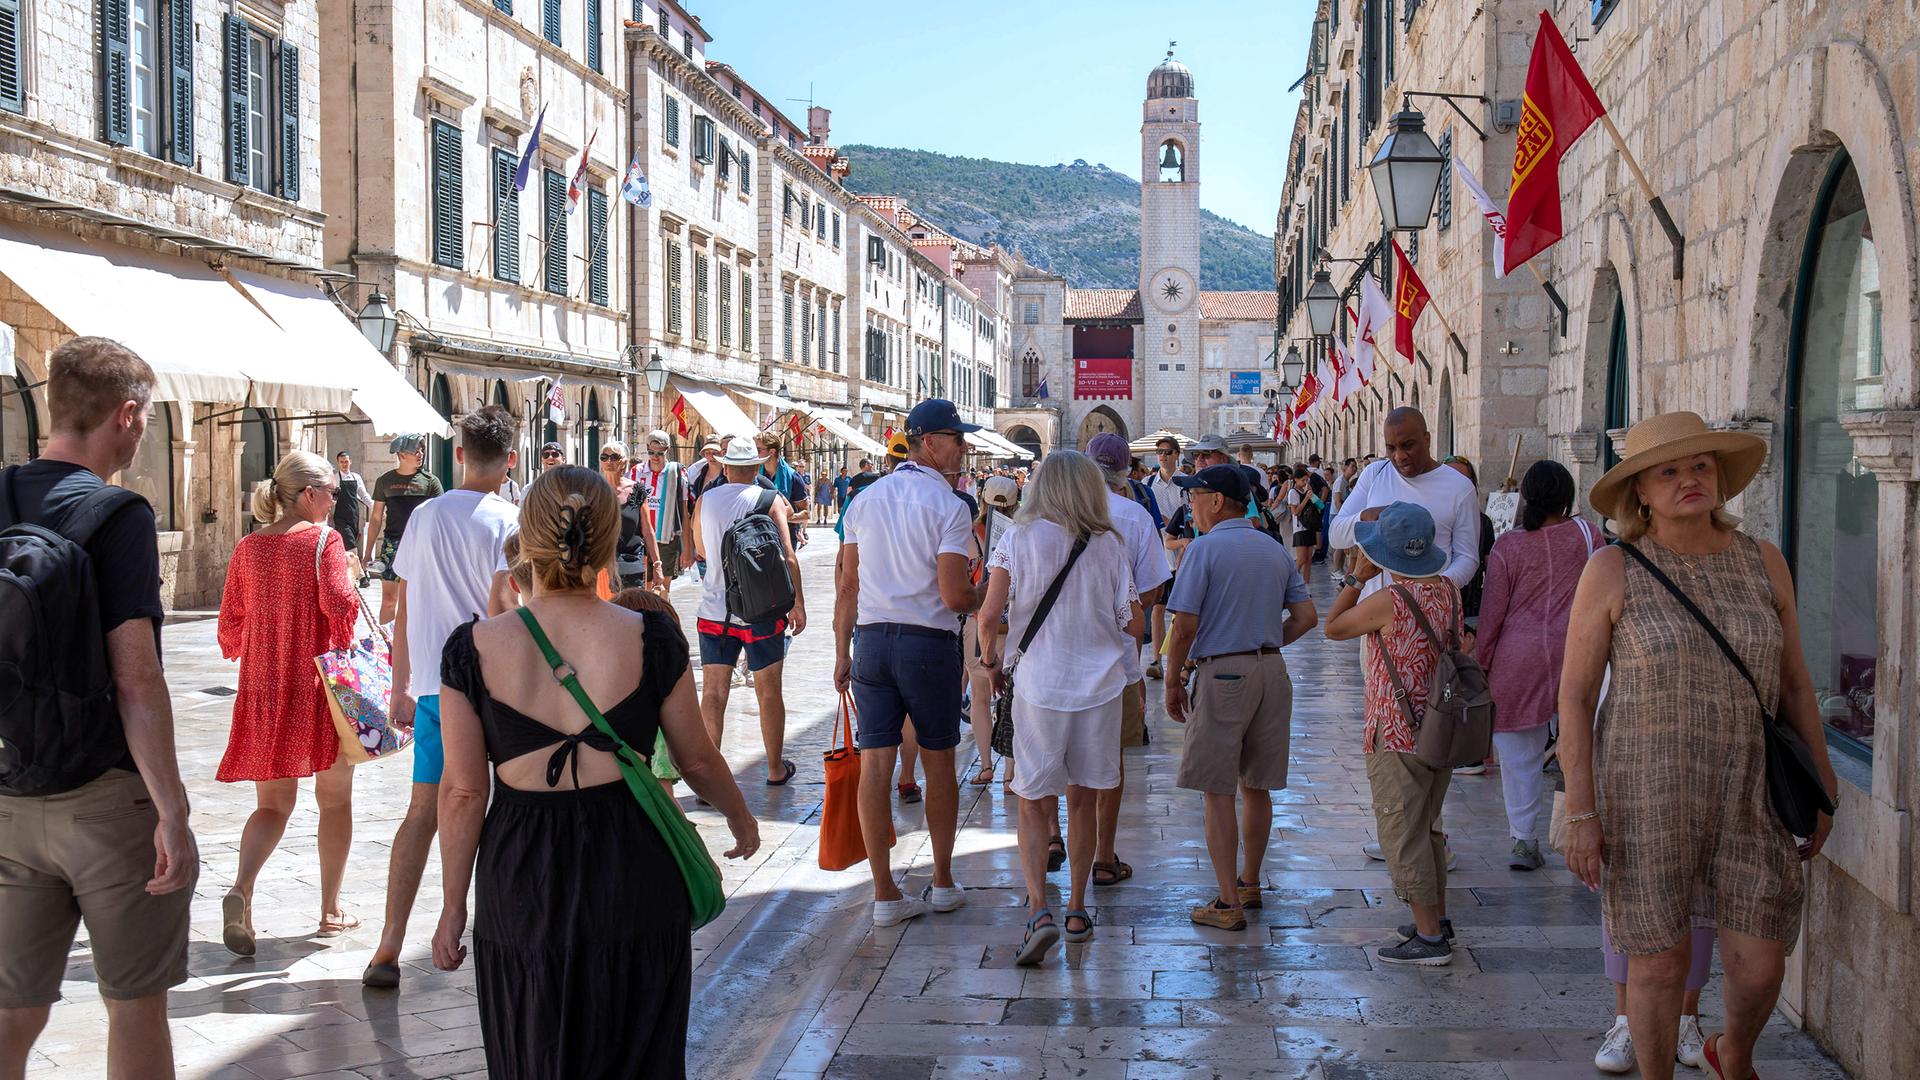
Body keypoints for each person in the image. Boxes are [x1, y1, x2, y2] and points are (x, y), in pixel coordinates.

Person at [431, 466, 759, 1079]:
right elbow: (695, 757)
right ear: (610, 542)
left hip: (522, 870)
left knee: (534, 1043)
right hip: (632, 860)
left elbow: (465, 792)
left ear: (528, 541)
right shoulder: (652, 636)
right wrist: (741, 818)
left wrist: (453, 907)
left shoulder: (471, 648)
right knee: (638, 1050)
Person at [1559, 411, 1838, 1080]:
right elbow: (1574, 697)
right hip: (1647, 796)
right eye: (1669, 471)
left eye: (1700, 466)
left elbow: (1795, 684)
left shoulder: (1763, 561)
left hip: (1752, 792)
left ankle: (1732, 1051)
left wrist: (1824, 780)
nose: (1689, 479)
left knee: (1760, 962)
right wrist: (1581, 810)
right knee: (1658, 961)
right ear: (1640, 492)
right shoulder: (1612, 569)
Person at [0, 337, 198, 1080]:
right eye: (144, 419)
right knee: (134, 1005)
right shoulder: (119, 514)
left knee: (10, 1012)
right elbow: (137, 679)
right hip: (107, 799)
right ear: (126, 415)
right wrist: (172, 811)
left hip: (10, 790)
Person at [364, 406, 523, 989]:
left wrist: (400, 686)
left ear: (458, 454)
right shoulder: (512, 520)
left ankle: (388, 944)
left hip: (434, 688)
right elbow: (509, 606)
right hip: (498, 687)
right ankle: (489, 928)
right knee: (508, 807)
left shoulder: (425, 515)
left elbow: (404, 608)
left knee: (422, 812)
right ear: (511, 461)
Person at [978, 451, 1143, 964]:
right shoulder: (1109, 545)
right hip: (1099, 689)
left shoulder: (1017, 539)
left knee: (1032, 799)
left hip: (1039, 687)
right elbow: (1134, 622)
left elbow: (988, 615)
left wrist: (991, 663)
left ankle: (1038, 911)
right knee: (1085, 799)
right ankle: (1076, 909)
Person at [834, 399, 981, 927]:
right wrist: (988, 594)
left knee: (876, 766)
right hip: (927, 644)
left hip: (872, 642)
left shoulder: (864, 501)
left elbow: (848, 585)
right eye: (958, 440)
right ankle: (942, 881)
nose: (964, 449)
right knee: (939, 763)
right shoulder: (950, 506)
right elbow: (954, 595)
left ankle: (884, 894)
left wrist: (841, 651)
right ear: (932, 443)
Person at [215, 450, 362, 954]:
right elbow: (340, 605)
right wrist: (349, 580)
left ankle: (241, 890)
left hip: (263, 686)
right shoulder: (325, 541)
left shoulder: (249, 547)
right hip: (318, 687)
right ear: (308, 494)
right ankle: (330, 910)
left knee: (272, 806)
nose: (335, 501)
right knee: (335, 801)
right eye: (332, 493)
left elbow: (230, 624)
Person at [1162, 464, 1317, 930]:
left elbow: (1184, 626)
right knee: (1257, 786)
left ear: (1215, 501)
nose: (1190, 505)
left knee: (1217, 790)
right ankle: (1250, 882)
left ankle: (1227, 902)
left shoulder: (1203, 550)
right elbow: (1306, 617)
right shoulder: (1272, 548)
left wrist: (1172, 680)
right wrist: (1263, 643)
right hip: (1271, 670)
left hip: (1224, 674)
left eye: (1194, 496)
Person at [1323, 502, 1463, 965]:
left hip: (1398, 730)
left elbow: (1333, 628)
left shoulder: (1391, 600)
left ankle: (1429, 939)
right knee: (1429, 828)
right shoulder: (1448, 590)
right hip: (1439, 727)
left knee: (1403, 832)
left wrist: (1356, 578)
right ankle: (1436, 918)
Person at [1474, 461, 1604, 871]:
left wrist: (1481, 663)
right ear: (1567, 495)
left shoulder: (1508, 546)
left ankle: (1524, 839)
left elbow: (1493, 613)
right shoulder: (1588, 536)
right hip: (1579, 652)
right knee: (1586, 745)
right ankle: (1582, 828)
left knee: (1519, 757)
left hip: (1518, 657)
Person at [687, 436, 806, 785]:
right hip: (762, 612)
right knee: (768, 692)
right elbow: (788, 556)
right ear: (756, 468)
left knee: (713, 693)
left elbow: (701, 550)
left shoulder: (705, 500)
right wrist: (798, 604)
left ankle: (711, 778)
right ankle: (774, 768)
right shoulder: (769, 500)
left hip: (715, 612)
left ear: (726, 468)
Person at [1085, 433, 1169, 888]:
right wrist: (1129, 604)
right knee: (1110, 756)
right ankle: (1102, 855)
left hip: (1059, 657)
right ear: (1125, 474)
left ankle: (1057, 836)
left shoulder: (1057, 512)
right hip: (1118, 658)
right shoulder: (1135, 517)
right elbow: (1154, 589)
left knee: (1062, 757)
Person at [965, 476, 1019, 786]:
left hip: (978, 622)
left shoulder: (970, 534)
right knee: (1013, 697)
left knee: (981, 697)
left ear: (983, 499)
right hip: (1015, 623)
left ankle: (986, 766)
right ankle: (1011, 772)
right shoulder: (1022, 533)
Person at [368, 433, 444, 625]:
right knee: (389, 600)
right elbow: (376, 518)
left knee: (416, 602)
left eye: (422, 450)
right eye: (416, 451)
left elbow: (440, 518)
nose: (421, 454)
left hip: (422, 546)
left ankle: (413, 640)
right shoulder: (384, 481)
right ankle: (385, 640)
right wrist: (368, 552)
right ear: (402, 455)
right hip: (392, 545)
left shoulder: (431, 482)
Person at [1144, 435, 1188, 682]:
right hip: (1158, 553)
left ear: (1177, 454)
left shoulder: (1184, 483)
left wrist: (1169, 522)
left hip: (1181, 552)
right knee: (1158, 609)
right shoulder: (1148, 483)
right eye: (1159, 451)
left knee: (1180, 610)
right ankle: (1156, 661)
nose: (1162, 455)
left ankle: (1179, 660)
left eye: (1167, 452)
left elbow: (1189, 516)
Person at [1443, 454, 1496, 629]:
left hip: (1471, 612)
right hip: (1437, 610)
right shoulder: (1428, 520)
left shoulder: (1483, 523)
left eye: (1463, 481)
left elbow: (1491, 571)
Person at [634, 431, 689, 590]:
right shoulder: (636, 472)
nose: (655, 457)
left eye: (660, 453)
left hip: (667, 539)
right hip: (642, 538)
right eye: (651, 452)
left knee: (662, 589)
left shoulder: (678, 473)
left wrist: (687, 547)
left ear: (668, 450)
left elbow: (684, 511)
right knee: (645, 588)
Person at [756, 432, 809, 548]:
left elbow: (805, 513)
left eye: (758, 450)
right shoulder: (754, 475)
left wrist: (782, 517)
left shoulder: (793, 477)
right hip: (759, 535)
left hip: (785, 537)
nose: (755, 453)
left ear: (772, 452)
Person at [333, 449, 374, 585]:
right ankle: (361, 576)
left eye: (346, 461)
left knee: (350, 546)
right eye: (341, 462)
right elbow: (332, 498)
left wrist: (375, 508)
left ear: (350, 462)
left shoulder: (356, 477)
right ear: (338, 463)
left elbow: (364, 495)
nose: (344, 464)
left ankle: (350, 575)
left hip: (354, 516)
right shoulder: (335, 478)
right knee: (351, 545)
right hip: (341, 517)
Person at [1290, 470, 1328, 584]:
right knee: (1301, 558)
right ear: (1296, 480)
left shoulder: (1308, 490)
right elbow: (1295, 512)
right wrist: (1306, 498)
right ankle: (1290, 581)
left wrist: (1313, 496)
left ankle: (1306, 584)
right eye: (1303, 480)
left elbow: (1320, 506)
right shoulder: (1293, 492)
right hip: (1300, 528)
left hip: (1310, 526)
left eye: (1307, 480)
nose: (1305, 483)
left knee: (1308, 560)